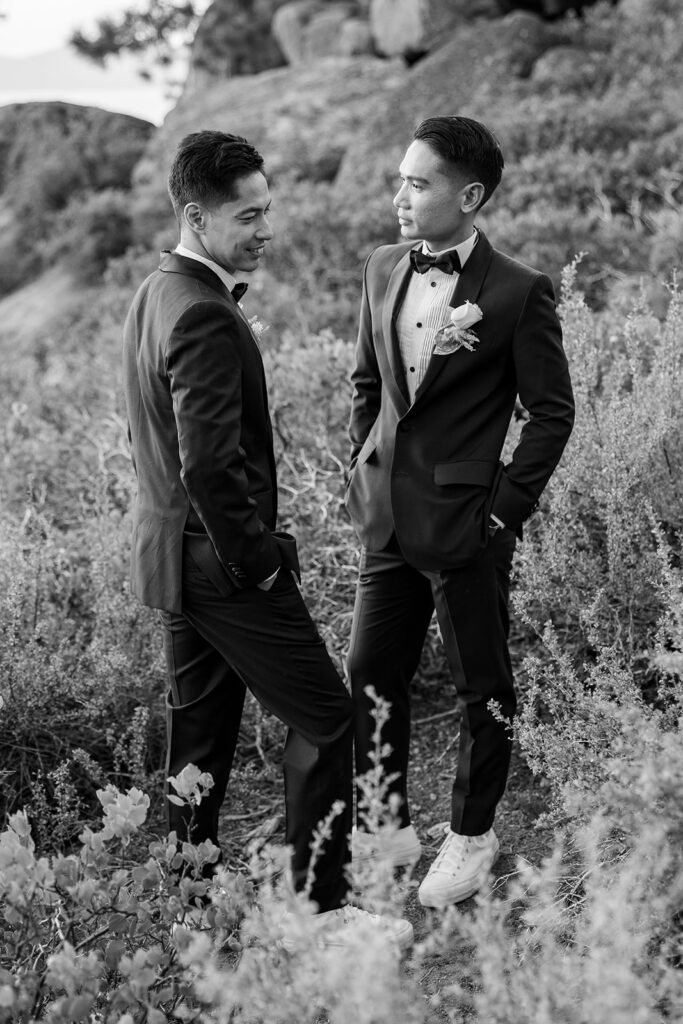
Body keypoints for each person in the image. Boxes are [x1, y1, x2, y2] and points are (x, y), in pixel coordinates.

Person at [122, 129, 412, 949]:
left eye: (268, 212)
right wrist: (259, 561)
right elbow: (211, 466)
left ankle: (190, 903)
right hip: (223, 566)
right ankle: (320, 916)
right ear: (196, 214)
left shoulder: (154, 291)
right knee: (328, 721)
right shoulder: (205, 314)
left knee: (199, 734)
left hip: (173, 559)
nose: (265, 230)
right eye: (247, 215)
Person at [345, 115, 574, 909]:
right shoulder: (379, 266)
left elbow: (551, 413)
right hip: (386, 518)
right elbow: (367, 383)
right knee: (371, 671)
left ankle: (471, 837)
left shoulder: (515, 291)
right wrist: (360, 461)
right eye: (400, 179)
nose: (399, 196)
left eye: (418, 183)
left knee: (482, 685)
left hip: (467, 525)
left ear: (468, 195)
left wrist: (503, 512)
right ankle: (386, 822)